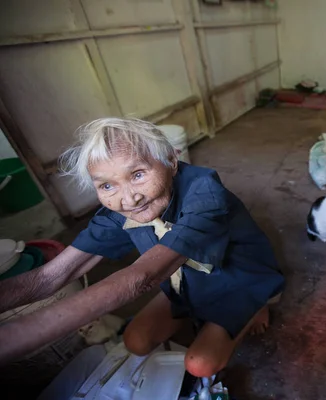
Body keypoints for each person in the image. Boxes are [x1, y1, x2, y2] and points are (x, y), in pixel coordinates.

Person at [0, 118, 285, 376]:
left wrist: (14, 337)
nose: (129, 199)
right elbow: (50, 275)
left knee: (200, 365)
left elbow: (145, 276)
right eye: (107, 186)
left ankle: (260, 303)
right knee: (135, 341)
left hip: (236, 279)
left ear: (171, 162)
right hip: (184, 281)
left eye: (137, 174)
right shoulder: (120, 210)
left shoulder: (205, 194)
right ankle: (201, 312)